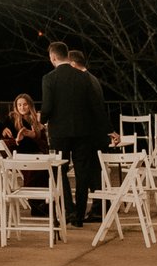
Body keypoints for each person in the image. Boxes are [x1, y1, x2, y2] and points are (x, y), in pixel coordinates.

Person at [41, 41, 107, 227]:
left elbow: (47, 107)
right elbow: (96, 107)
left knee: (60, 171)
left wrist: (42, 120)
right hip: (82, 132)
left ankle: (69, 210)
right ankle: (79, 216)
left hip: (59, 133)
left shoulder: (49, 78)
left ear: (53, 57)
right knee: (82, 172)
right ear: (66, 55)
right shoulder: (83, 77)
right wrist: (108, 129)